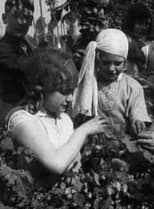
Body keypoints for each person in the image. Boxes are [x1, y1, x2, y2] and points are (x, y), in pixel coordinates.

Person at [6, 48, 108, 182]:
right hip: (31, 199)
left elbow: (70, 153)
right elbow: (57, 164)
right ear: (43, 89)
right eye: (64, 91)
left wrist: (76, 156)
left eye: (72, 91)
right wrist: (83, 131)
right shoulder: (23, 121)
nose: (71, 98)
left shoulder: (63, 119)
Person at [72, 28, 151, 135]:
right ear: (97, 60)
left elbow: (138, 111)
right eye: (106, 62)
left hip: (124, 142)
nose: (111, 68)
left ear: (125, 63)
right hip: (91, 141)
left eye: (117, 63)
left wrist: (137, 121)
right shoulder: (87, 84)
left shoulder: (132, 87)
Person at [0, 0, 34, 126]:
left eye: (27, 17)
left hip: (28, 111)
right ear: (4, 18)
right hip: (9, 115)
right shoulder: (2, 48)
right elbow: (26, 66)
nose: (22, 22)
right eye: (16, 16)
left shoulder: (27, 45)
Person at [122, 3, 152, 79]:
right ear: (130, 22)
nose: (143, 28)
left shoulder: (142, 43)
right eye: (140, 23)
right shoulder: (125, 41)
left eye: (146, 24)